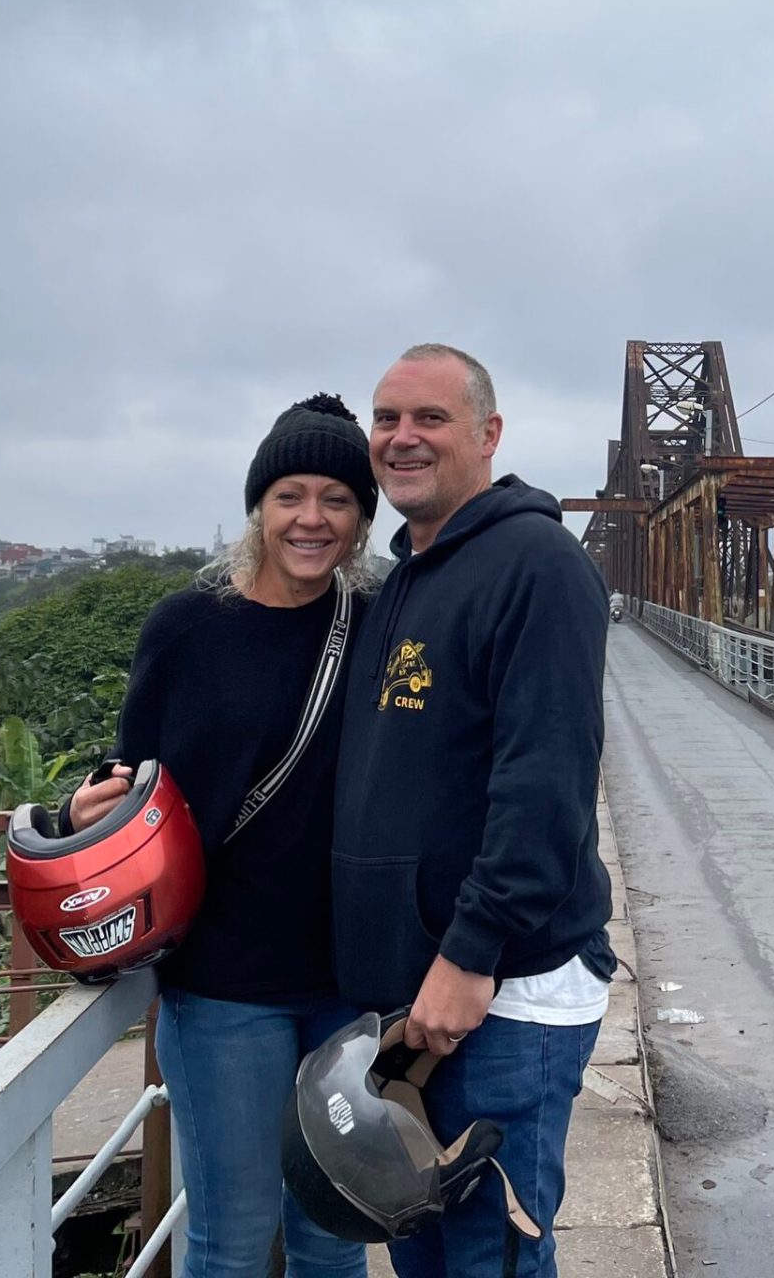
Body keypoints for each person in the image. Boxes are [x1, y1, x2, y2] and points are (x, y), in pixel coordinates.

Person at [61, 395, 378, 1278]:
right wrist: (82, 814)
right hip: (224, 985)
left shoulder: (381, 623)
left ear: (361, 518)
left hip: (351, 981)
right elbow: (130, 778)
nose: (311, 519)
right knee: (232, 1237)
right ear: (258, 508)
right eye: (290, 496)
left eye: (336, 499)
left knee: (333, 1238)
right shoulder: (187, 627)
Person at [334, 344, 613, 1278]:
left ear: (489, 434)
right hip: (412, 997)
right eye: (386, 419)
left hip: (505, 991)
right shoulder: (400, 580)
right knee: (423, 1251)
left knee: (493, 1252)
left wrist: (471, 953)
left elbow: (546, 783)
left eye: (431, 418)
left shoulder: (539, 564)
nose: (402, 438)